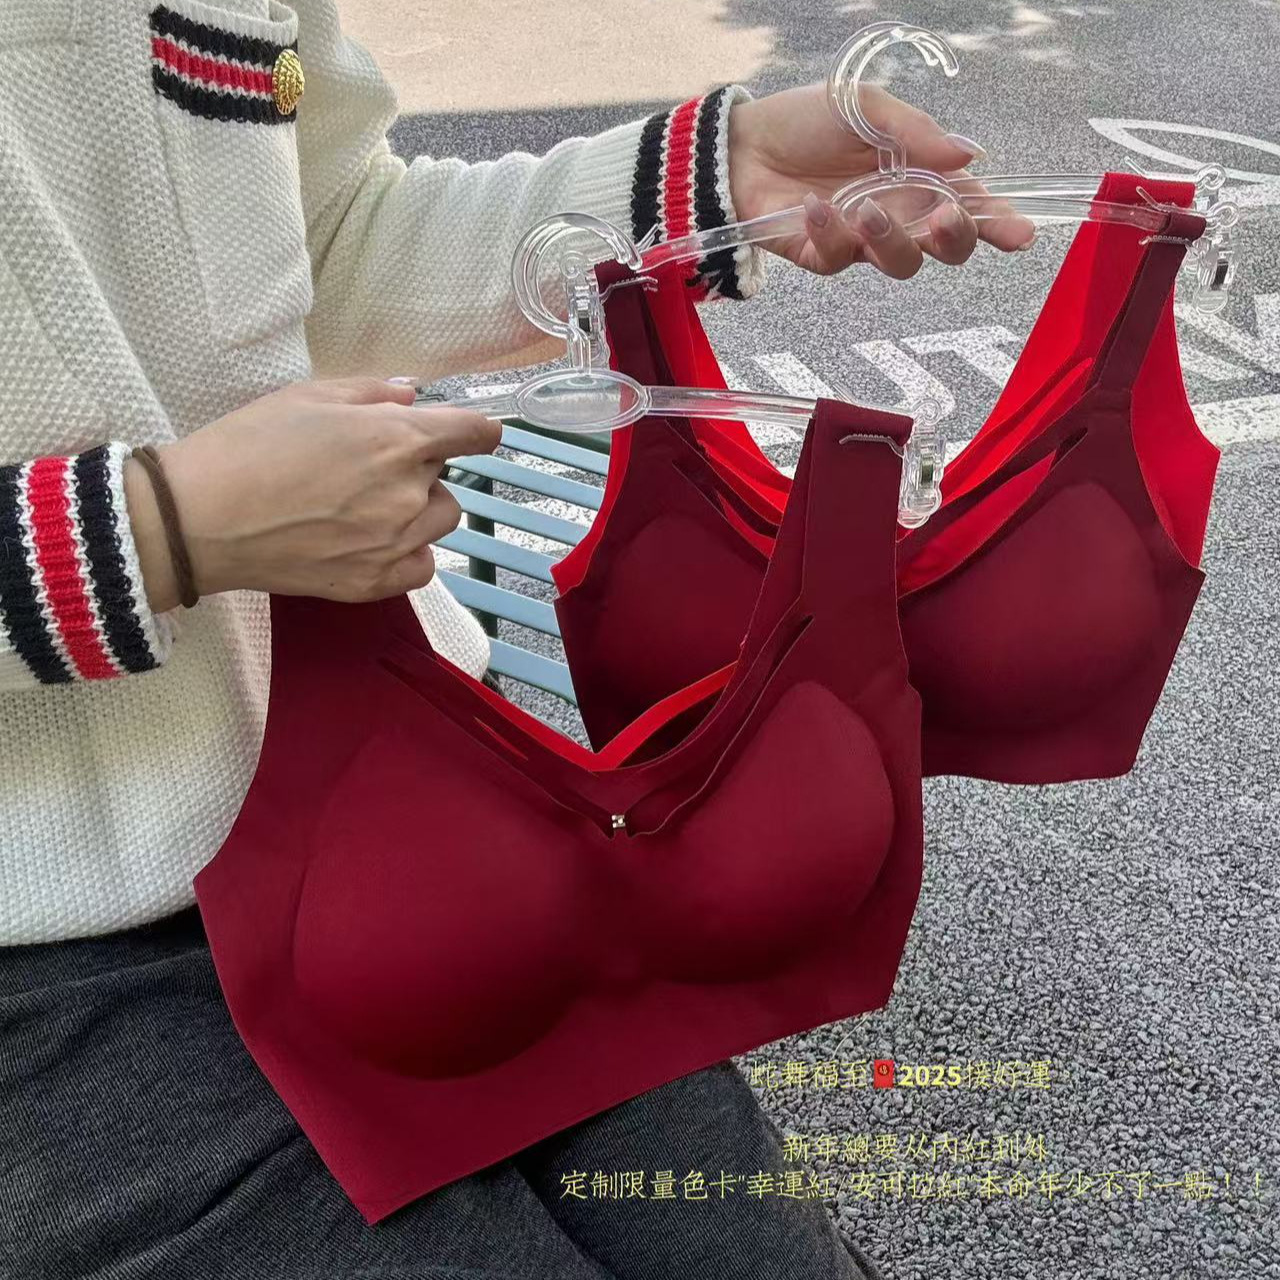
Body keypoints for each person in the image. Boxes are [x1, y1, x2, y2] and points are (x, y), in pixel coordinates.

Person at [0, 2, 1033, 1276]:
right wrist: (151, 531)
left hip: (421, 801)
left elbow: (318, 243)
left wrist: (709, 181)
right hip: (41, 961)